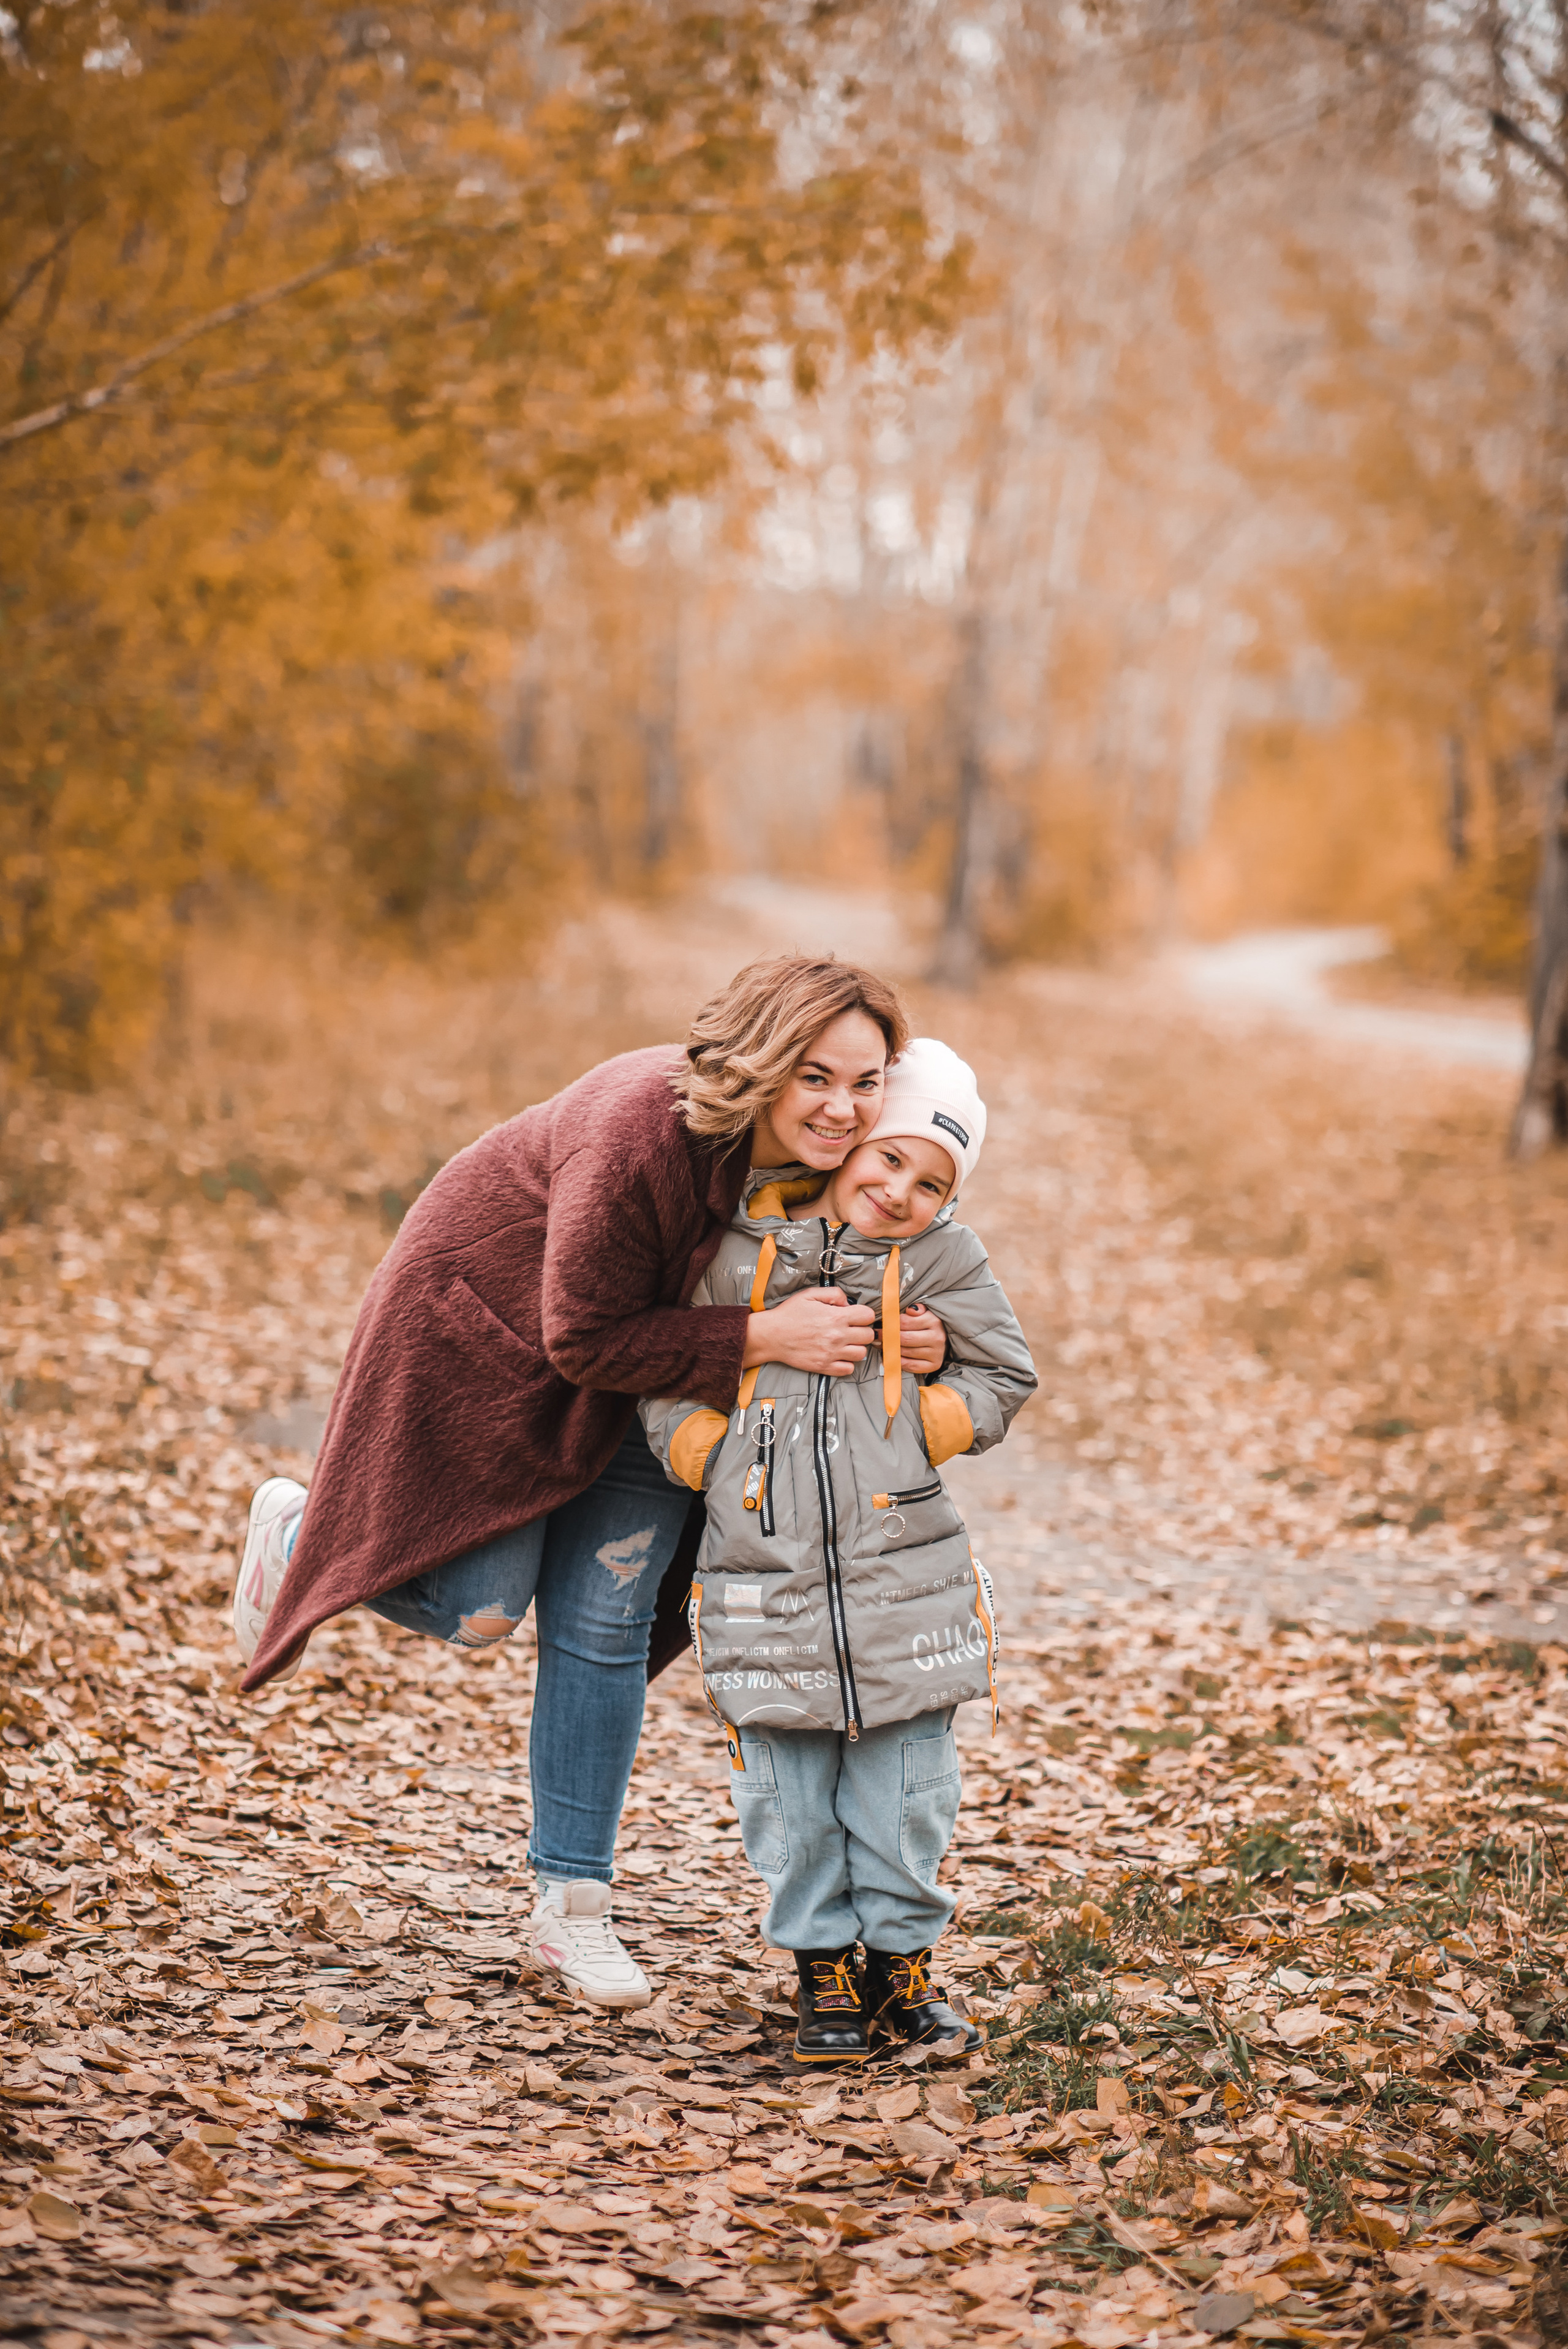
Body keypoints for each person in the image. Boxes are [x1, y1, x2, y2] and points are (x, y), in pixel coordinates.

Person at [229, 956, 954, 2011]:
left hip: (659, 1386)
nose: (843, 1108)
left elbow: (892, 1261)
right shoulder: (642, 1132)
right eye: (815, 1077)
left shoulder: (836, 1164)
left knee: (605, 1620)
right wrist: (761, 1336)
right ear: (760, 1060)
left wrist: (922, 1337)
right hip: (498, 1337)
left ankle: (571, 1911)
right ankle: (303, 1537)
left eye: (866, 1081)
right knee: (480, 1609)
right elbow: (582, 1335)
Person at [641, 1038, 1036, 2063]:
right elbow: (666, 1370)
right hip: (761, 1575)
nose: (901, 1190)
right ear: (854, 1142)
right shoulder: (736, 1249)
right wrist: (706, 1452)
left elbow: (1006, 1373)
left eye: (932, 1181)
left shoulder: (945, 1261)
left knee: (908, 1790)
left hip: (904, 1575)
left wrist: (933, 1417)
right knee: (785, 1792)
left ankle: (901, 1966)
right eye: (891, 1156)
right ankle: (822, 1964)